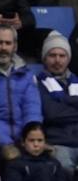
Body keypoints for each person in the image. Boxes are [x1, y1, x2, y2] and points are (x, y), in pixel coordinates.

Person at [36, 32, 78, 170]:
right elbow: (51, 113)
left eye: (62, 56)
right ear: (44, 58)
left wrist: (63, 101)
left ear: (68, 58)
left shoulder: (76, 81)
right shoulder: (37, 83)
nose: (57, 61)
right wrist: (73, 102)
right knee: (65, 166)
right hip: (58, 143)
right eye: (52, 55)